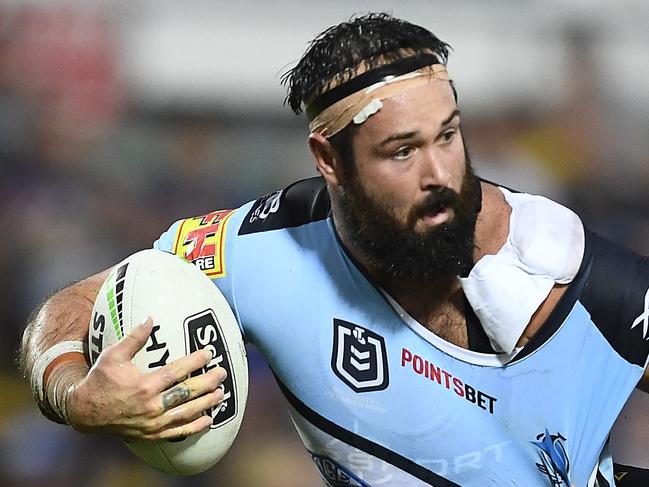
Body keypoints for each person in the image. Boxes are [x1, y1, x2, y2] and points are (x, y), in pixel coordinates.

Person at [20, 13, 649, 486]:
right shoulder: (260, 249)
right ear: (330, 160)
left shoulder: (558, 266)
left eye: (449, 135)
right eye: (401, 150)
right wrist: (77, 394)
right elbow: (72, 306)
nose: (440, 174)